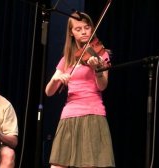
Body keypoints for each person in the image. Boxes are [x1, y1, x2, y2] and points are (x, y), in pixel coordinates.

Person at [45, 12, 115, 168]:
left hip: (92, 113)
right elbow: (48, 92)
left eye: (87, 27)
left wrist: (97, 68)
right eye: (78, 29)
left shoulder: (101, 54)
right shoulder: (66, 59)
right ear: (71, 32)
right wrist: (55, 79)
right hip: (69, 115)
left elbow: (102, 86)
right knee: (57, 165)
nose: (83, 32)